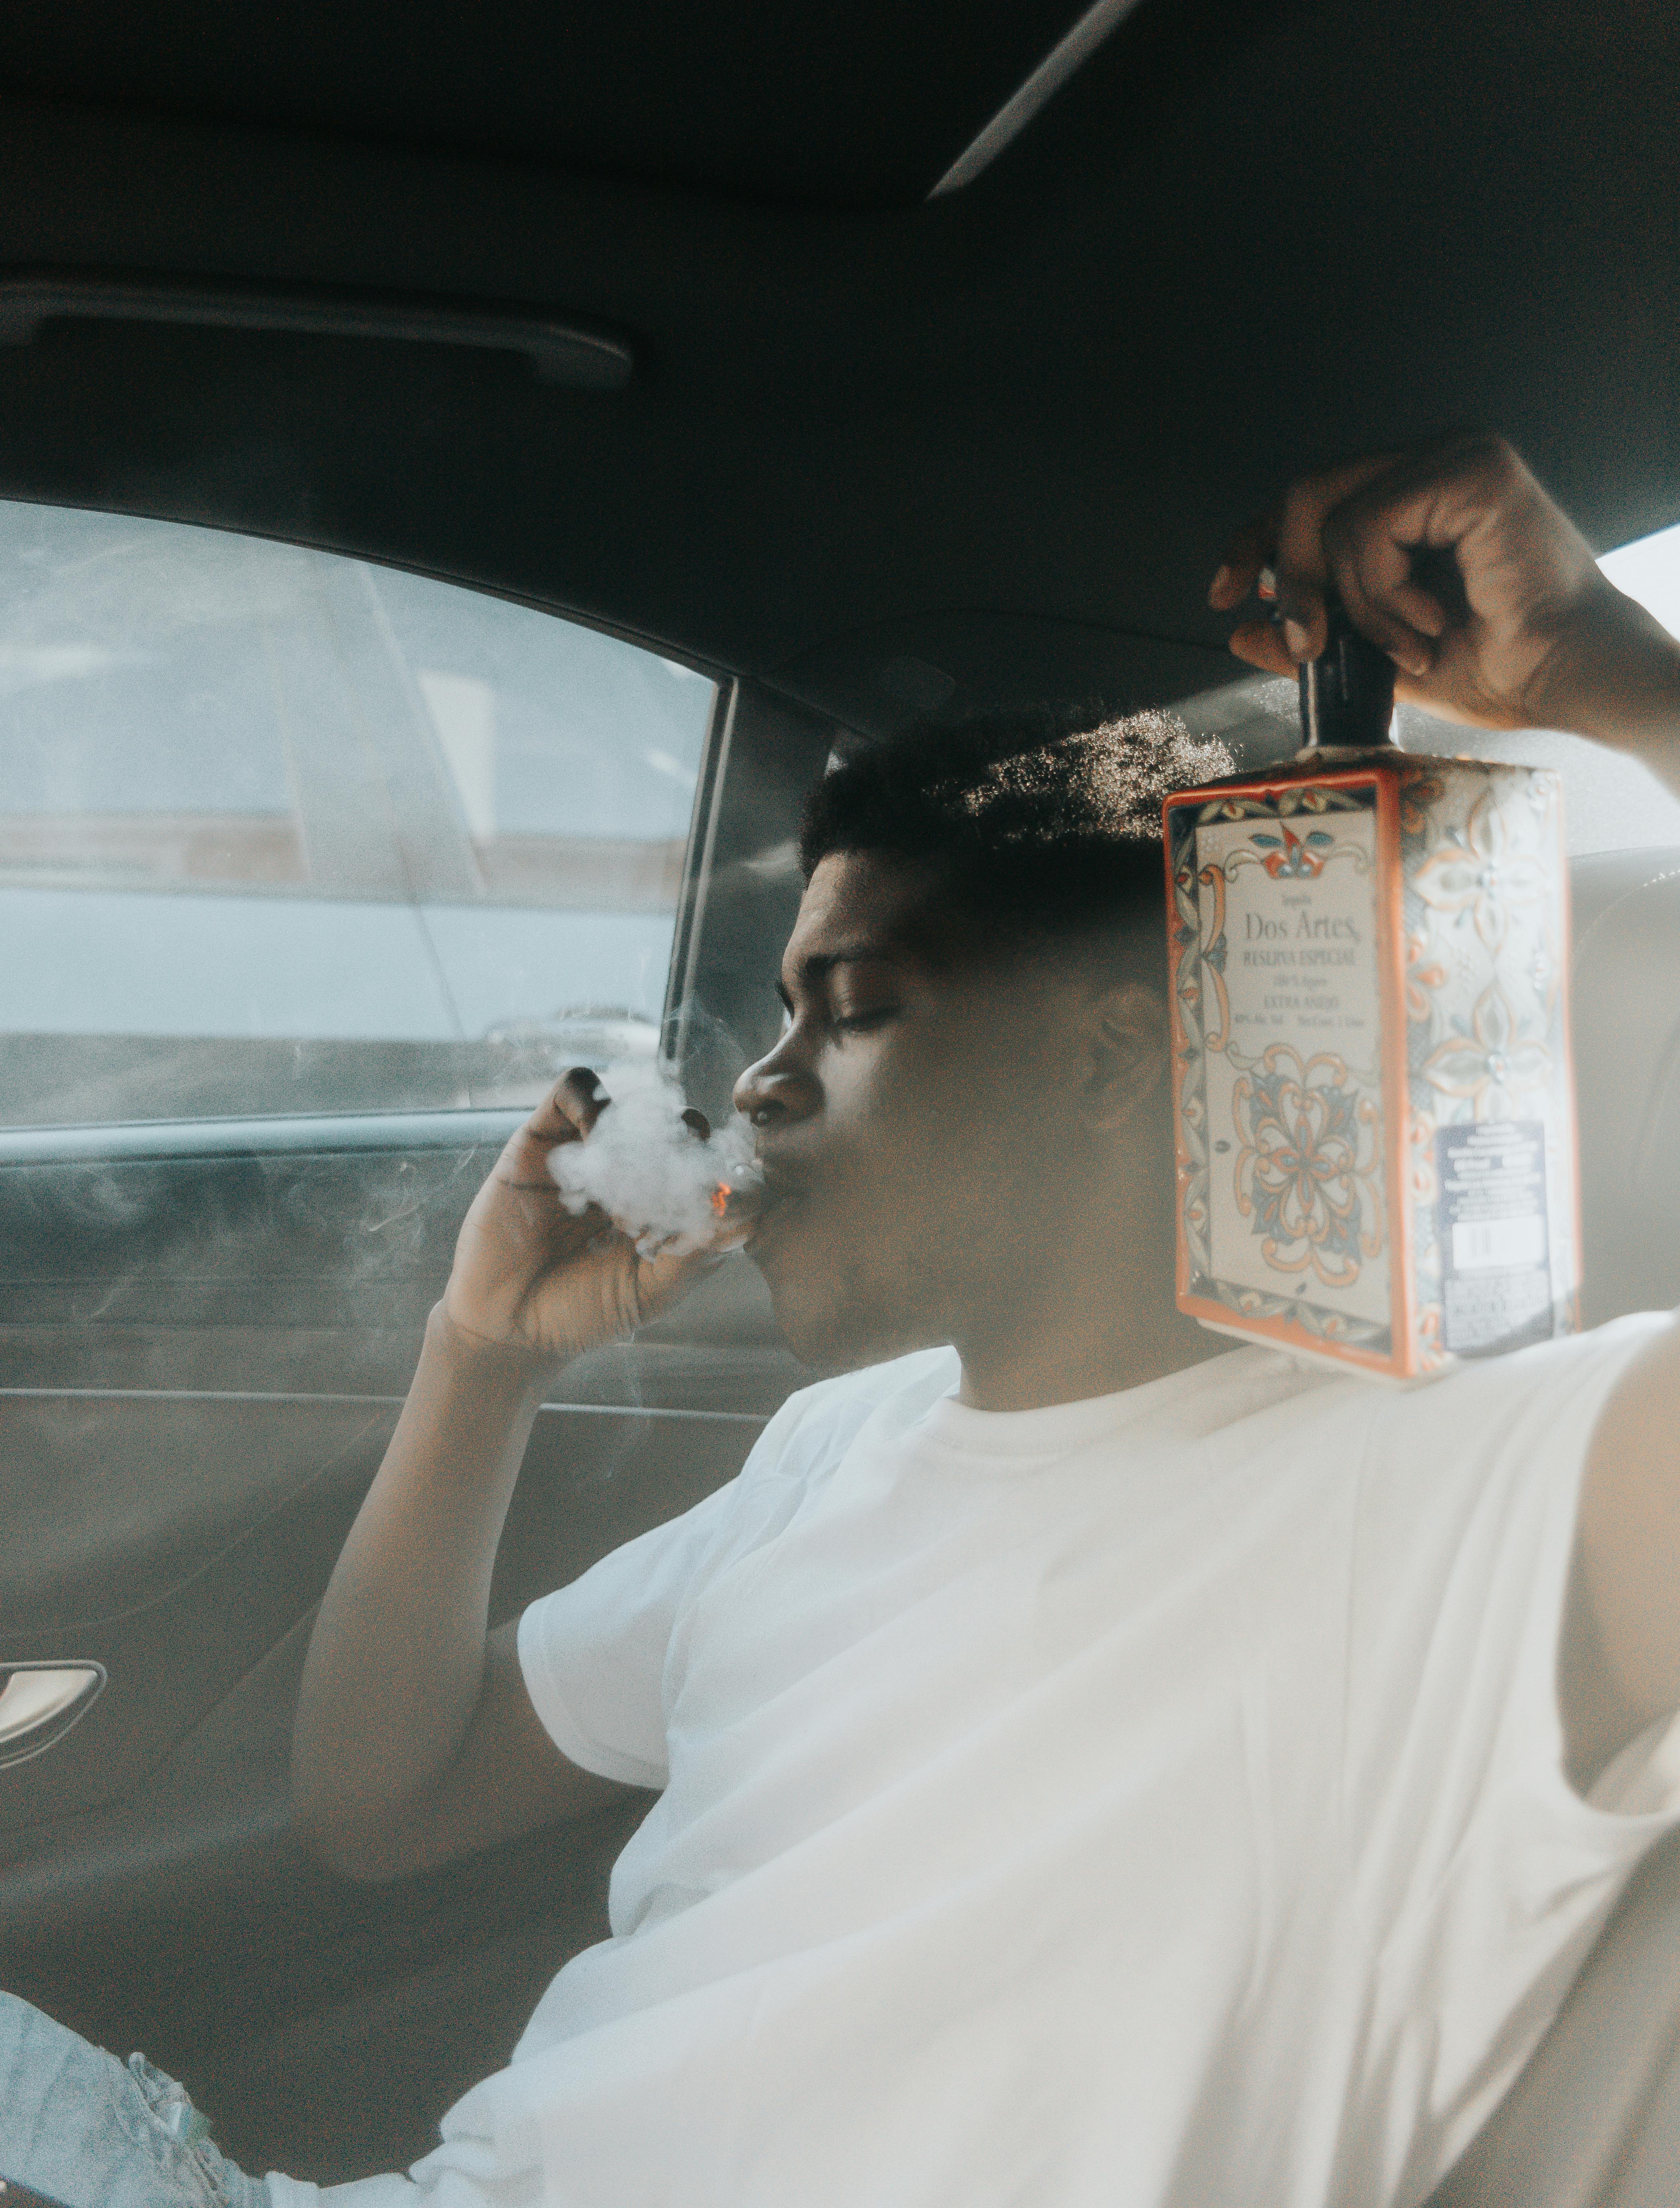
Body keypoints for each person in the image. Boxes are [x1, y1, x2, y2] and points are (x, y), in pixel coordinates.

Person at [6, 433, 1680, 2208]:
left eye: (853, 1010)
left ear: (1111, 1059)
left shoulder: (1484, 1485)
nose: (762, 1079)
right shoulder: (836, 1451)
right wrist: (482, 1363)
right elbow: (380, 1799)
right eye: (782, 1011)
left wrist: (1625, 684)